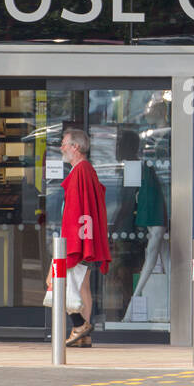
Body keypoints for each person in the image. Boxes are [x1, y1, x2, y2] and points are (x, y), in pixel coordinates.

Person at [47, 127, 110, 347]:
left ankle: (79, 325)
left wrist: (72, 244)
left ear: (76, 147)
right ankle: (83, 335)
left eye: (64, 143)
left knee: (56, 282)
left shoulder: (81, 171)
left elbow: (77, 213)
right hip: (84, 238)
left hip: (76, 240)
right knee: (82, 287)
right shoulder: (85, 170)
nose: (61, 148)